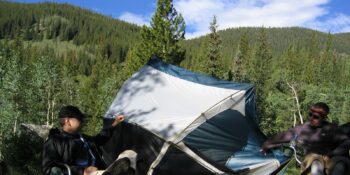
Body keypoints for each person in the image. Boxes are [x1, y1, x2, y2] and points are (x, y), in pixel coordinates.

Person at [261, 102, 350, 175]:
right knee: (315, 163)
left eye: (315, 117)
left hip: (332, 158)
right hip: (313, 158)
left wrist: (331, 154)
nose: (311, 118)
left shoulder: (332, 129)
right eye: (310, 115)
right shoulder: (303, 129)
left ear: (323, 118)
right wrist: (266, 145)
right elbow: (283, 136)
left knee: (340, 167)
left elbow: (346, 143)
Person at [42, 105, 128, 175]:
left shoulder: (81, 137)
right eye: (79, 119)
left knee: (128, 157)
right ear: (67, 121)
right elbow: (49, 169)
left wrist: (114, 124)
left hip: (100, 171)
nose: (82, 122)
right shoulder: (54, 141)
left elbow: (99, 139)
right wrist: (82, 171)